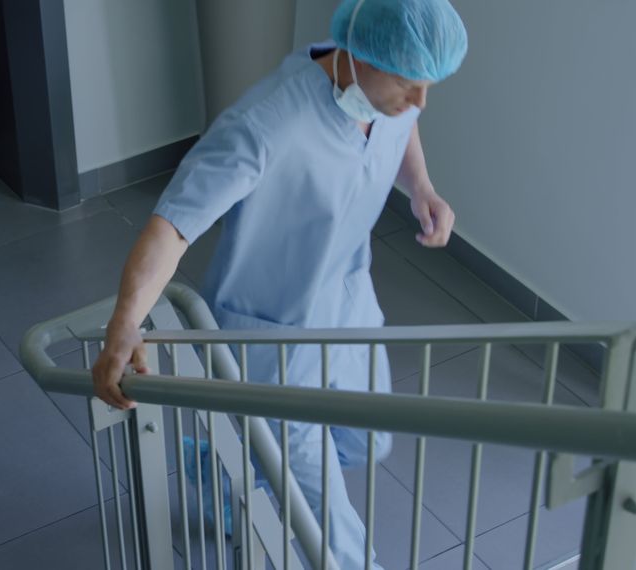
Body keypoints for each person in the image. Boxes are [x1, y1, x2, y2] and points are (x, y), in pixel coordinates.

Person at [92, 0, 467, 566]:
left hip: (347, 300)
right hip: (274, 329)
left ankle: (220, 470)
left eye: (428, 86)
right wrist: (123, 326)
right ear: (358, 54)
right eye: (410, 85)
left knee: (371, 437)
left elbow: (403, 123)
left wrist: (422, 188)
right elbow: (172, 227)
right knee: (322, 510)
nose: (420, 101)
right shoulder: (265, 125)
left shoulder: (387, 87)